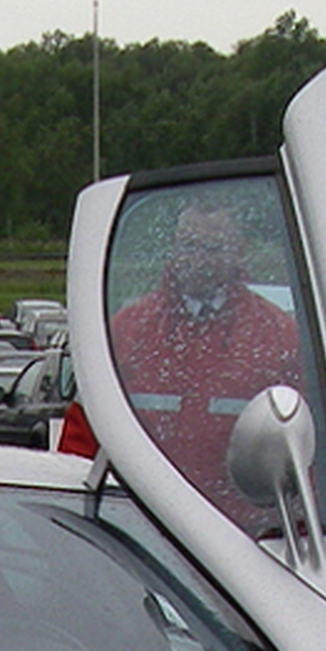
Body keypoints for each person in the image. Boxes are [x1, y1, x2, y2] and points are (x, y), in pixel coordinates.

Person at [99, 197, 305, 528]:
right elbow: (87, 443)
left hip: (243, 538)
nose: (198, 259)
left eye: (213, 247)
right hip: (141, 532)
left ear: (239, 252)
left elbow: (301, 458)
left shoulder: (279, 337)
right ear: (172, 249)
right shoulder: (127, 331)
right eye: (189, 245)